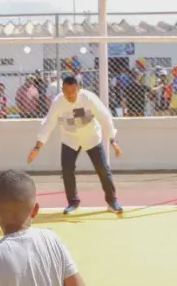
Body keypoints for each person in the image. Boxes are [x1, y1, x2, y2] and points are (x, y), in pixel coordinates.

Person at [27, 76, 124, 215]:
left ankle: (112, 201)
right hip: (70, 138)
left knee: (103, 169)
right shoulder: (58, 102)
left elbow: (105, 117)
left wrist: (112, 140)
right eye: (66, 91)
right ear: (62, 90)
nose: (70, 95)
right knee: (67, 170)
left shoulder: (89, 99)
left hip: (91, 137)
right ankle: (73, 202)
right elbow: (48, 123)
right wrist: (38, 147)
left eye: (73, 91)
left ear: (78, 89)